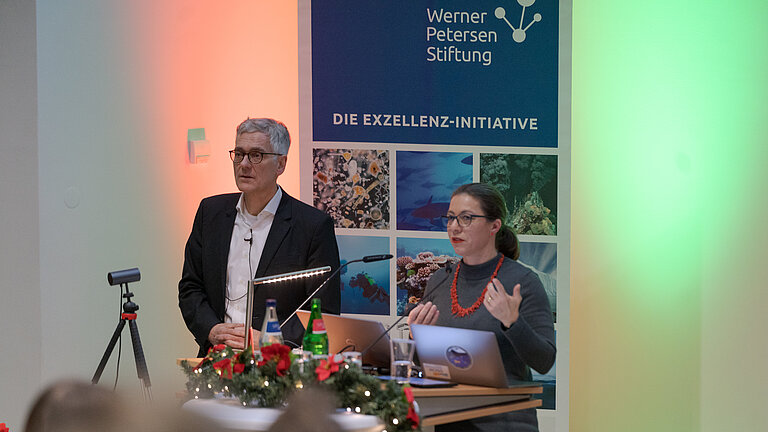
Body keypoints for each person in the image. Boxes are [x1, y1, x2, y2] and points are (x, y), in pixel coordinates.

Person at [179, 118, 340, 356]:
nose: (244, 164)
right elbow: (191, 287)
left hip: (278, 366)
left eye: (256, 155)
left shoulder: (312, 226)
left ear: (281, 164)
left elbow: (322, 310)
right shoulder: (210, 213)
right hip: (216, 359)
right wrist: (211, 330)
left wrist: (270, 341)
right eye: (239, 154)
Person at [408, 183, 556, 432]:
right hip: (448, 421)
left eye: (466, 218)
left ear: (494, 226)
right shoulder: (439, 280)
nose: (455, 227)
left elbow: (544, 361)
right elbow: (430, 366)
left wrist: (513, 323)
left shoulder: (523, 281)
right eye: (451, 218)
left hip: (506, 422)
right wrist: (416, 338)